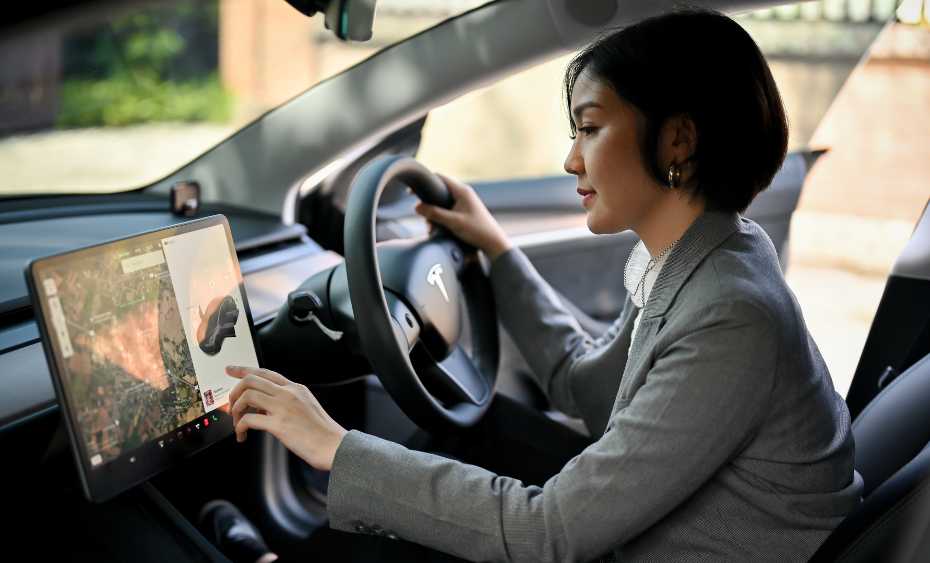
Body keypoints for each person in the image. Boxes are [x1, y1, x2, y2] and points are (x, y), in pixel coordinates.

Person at [212, 7, 864, 562]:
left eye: (590, 127)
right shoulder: (710, 255)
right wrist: (495, 249)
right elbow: (586, 388)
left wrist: (335, 446)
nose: (571, 159)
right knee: (474, 431)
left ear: (677, 142)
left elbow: (549, 532)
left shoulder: (730, 313)